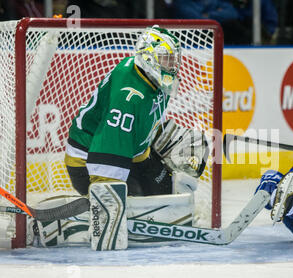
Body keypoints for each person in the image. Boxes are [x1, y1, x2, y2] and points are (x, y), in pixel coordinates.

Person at [60, 26, 208, 250]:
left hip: (131, 152)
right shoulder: (128, 96)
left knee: (167, 195)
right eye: (166, 58)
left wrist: (164, 139)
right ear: (148, 56)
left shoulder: (150, 75)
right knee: (135, 208)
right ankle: (73, 222)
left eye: (173, 59)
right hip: (89, 162)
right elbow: (109, 144)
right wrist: (107, 203)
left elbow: (143, 123)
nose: (172, 65)